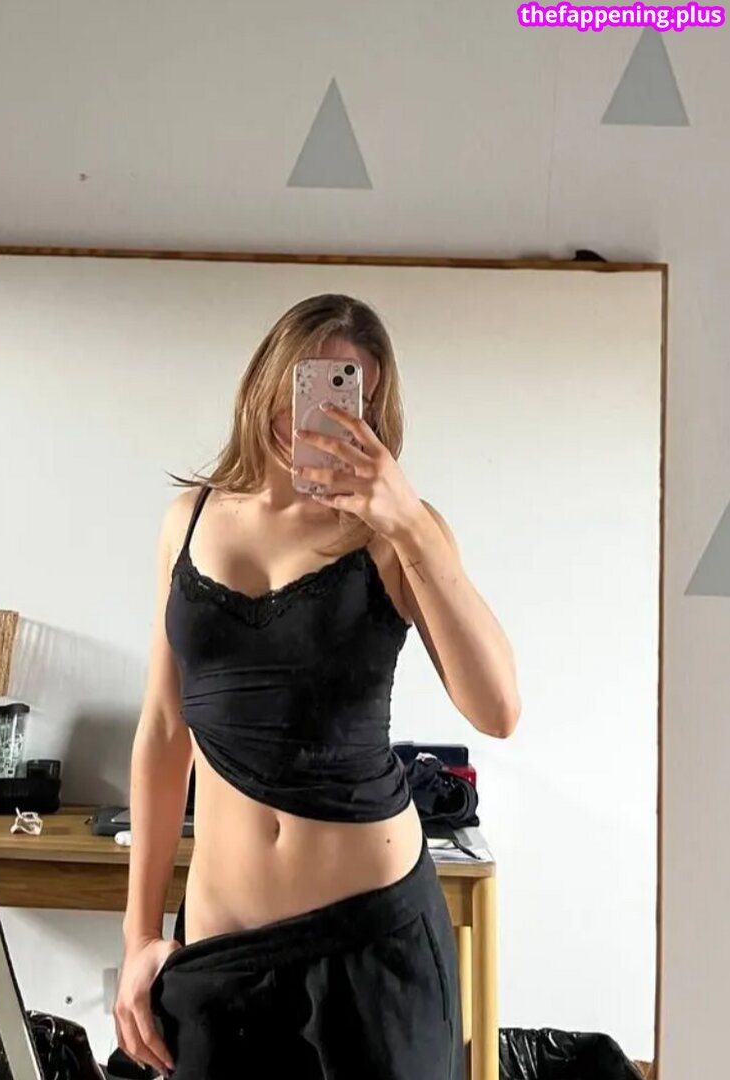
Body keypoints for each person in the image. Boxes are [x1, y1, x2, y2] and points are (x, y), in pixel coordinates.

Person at [113, 293, 520, 1080]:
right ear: (265, 379)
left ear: (370, 411)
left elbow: (497, 708)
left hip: (372, 942)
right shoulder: (187, 521)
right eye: (303, 382)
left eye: (343, 391)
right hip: (222, 951)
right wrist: (137, 938)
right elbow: (162, 731)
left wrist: (407, 521)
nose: (310, 414)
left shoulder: (398, 535)